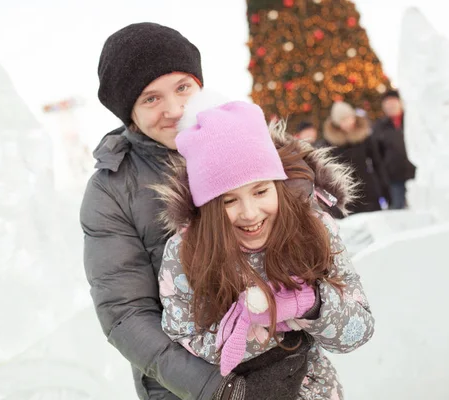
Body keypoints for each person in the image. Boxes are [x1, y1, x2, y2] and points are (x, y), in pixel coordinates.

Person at [80, 23, 316, 399]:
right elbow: (123, 313)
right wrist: (219, 390)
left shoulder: (244, 139)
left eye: (182, 87)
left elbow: (305, 231)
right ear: (130, 113)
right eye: (151, 99)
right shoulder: (112, 190)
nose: (174, 110)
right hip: (187, 388)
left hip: (285, 362)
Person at [154, 97, 375, 399]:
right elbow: (182, 344)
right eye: (229, 200)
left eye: (260, 191)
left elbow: (357, 331)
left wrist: (311, 306)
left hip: (315, 389)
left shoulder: (312, 227)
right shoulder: (185, 252)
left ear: (277, 186)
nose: (250, 213)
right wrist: (256, 328)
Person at [316, 102, 389, 216]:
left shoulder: (364, 137)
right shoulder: (329, 144)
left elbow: (377, 163)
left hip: (368, 191)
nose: (348, 122)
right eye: (343, 120)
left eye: (350, 118)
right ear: (336, 123)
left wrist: (384, 189)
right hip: (347, 194)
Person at [372, 90, 416, 209]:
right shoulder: (379, 126)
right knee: (398, 208)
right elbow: (377, 155)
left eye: (393, 102)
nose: (390, 106)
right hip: (395, 178)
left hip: (416, 174)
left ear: (400, 102)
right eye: (387, 103)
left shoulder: (413, 120)